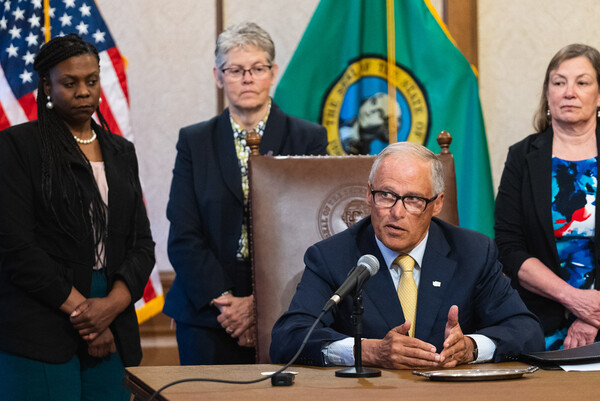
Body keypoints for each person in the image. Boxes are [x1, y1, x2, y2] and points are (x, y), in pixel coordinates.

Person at [270, 142, 543, 369]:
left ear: (437, 204)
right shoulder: (331, 257)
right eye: (386, 195)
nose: (396, 213)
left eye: (413, 200)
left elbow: (527, 331)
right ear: (368, 194)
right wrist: (367, 351)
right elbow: (288, 338)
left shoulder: (472, 253)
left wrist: (471, 348)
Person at [0, 34, 155, 400]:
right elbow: (16, 247)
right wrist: (86, 315)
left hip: (112, 308)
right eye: (70, 83)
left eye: (91, 80)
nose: (84, 91)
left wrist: (110, 308)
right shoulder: (18, 147)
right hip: (41, 314)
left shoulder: (121, 151)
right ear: (47, 86)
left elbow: (141, 244)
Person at [163, 21, 328, 365]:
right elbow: (183, 232)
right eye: (236, 70)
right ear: (218, 76)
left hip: (284, 298)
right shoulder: (194, 141)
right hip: (208, 304)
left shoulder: (308, 138)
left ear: (273, 73)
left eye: (257, 68)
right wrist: (226, 301)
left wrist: (260, 302)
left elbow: (310, 230)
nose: (248, 78)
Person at [495, 43, 600, 351]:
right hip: (537, 317)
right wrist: (575, 300)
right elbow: (509, 248)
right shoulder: (522, 157)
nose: (569, 92)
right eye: (559, 82)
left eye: (582, 82)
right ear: (547, 94)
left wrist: (592, 315)